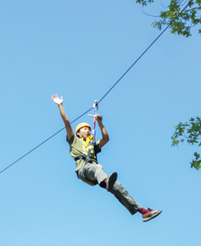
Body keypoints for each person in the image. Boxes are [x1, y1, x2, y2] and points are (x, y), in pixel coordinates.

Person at [52, 94, 162, 222]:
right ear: (78, 132)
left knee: (119, 188)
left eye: (88, 129)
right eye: (84, 129)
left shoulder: (92, 146)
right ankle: (105, 182)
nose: (87, 131)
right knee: (97, 167)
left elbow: (106, 139)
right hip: (84, 171)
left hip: (96, 175)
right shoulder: (74, 140)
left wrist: (100, 123)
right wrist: (60, 105)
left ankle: (143, 212)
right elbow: (66, 122)